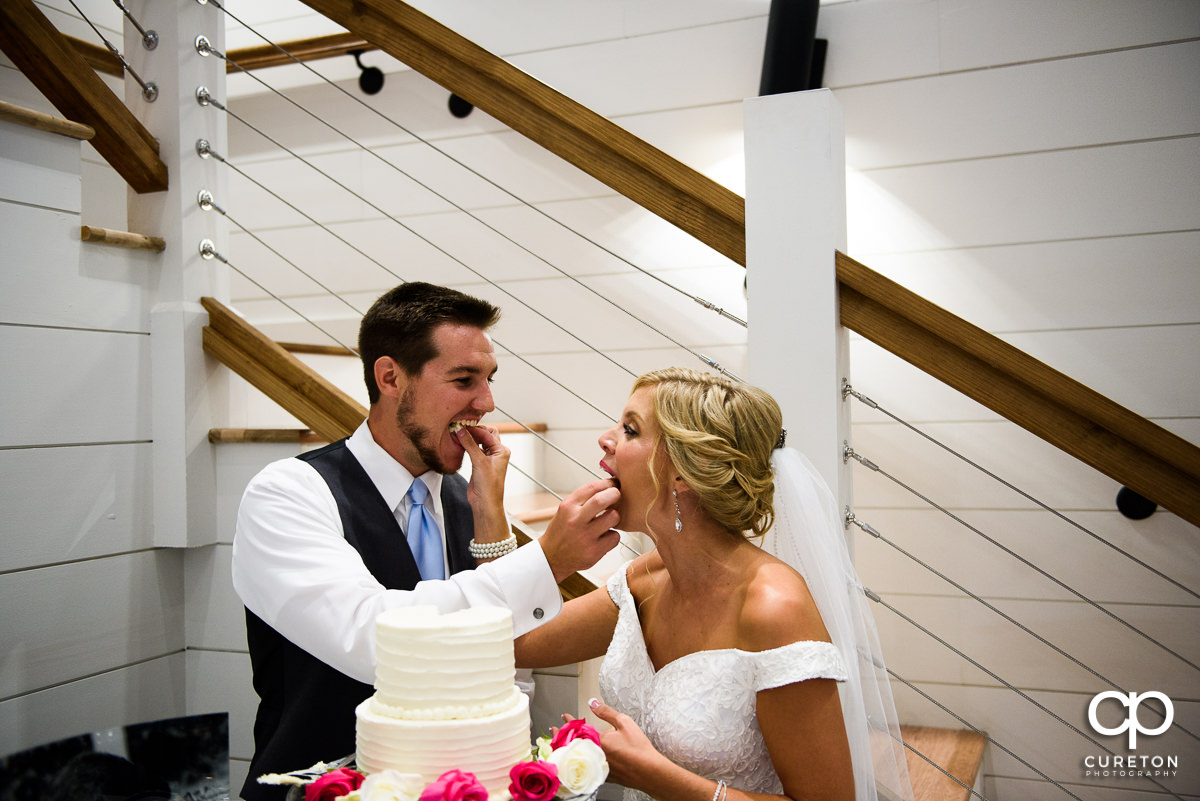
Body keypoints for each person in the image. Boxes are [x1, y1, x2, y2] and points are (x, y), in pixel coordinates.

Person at [231, 282, 621, 800]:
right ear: (390, 377)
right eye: (464, 379)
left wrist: (490, 517)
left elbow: (500, 661)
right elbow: (375, 641)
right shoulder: (288, 493)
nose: (486, 402)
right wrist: (547, 560)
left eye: (488, 380)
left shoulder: (466, 499)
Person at [515, 367, 914, 801]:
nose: (605, 438)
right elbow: (519, 644)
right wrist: (541, 547)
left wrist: (655, 776)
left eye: (629, 430)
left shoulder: (772, 608)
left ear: (686, 471)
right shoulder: (642, 581)